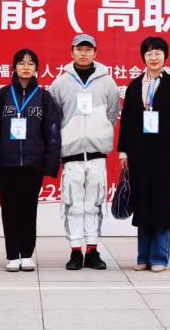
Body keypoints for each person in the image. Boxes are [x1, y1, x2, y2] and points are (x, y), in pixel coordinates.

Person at [0, 49, 62, 272]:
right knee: (9, 210)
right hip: (7, 164)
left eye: (30, 63)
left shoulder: (44, 97)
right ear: (14, 67)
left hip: (33, 164)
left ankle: (26, 254)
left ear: (37, 68)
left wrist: (50, 163)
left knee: (29, 209)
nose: (26, 67)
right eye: (21, 63)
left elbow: (52, 132)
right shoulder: (2, 96)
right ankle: (12, 255)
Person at [117, 36, 170, 272]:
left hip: (164, 155)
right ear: (143, 57)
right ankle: (143, 256)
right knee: (143, 203)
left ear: (165, 56)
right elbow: (127, 122)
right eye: (149, 53)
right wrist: (123, 151)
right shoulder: (134, 86)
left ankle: (159, 257)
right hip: (139, 155)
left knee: (161, 204)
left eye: (158, 52)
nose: (153, 57)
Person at [50, 33, 121, 270]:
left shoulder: (107, 82)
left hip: (97, 155)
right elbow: (55, 117)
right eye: (79, 49)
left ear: (95, 53)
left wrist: (99, 132)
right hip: (71, 156)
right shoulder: (60, 83)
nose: (83, 53)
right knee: (73, 204)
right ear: (71, 52)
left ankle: (92, 249)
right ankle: (75, 251)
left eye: (88, 49)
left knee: (94, 204)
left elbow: (112, 114)